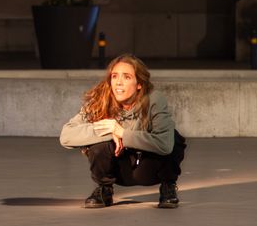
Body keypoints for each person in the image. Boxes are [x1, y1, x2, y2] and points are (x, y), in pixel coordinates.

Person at [59, 53, 187, 209]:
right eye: (114, 76)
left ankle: (168, 186)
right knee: (99, 144)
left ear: (139, 83)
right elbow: (66, 136)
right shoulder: (100, 101)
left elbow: (165, 144)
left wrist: (122, 133)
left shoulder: (154, 99)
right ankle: (104, 189)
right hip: (118, 169)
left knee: (173, 137)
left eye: (126, 77)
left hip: (148, 169)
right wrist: (109, 130)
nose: (118, 82)